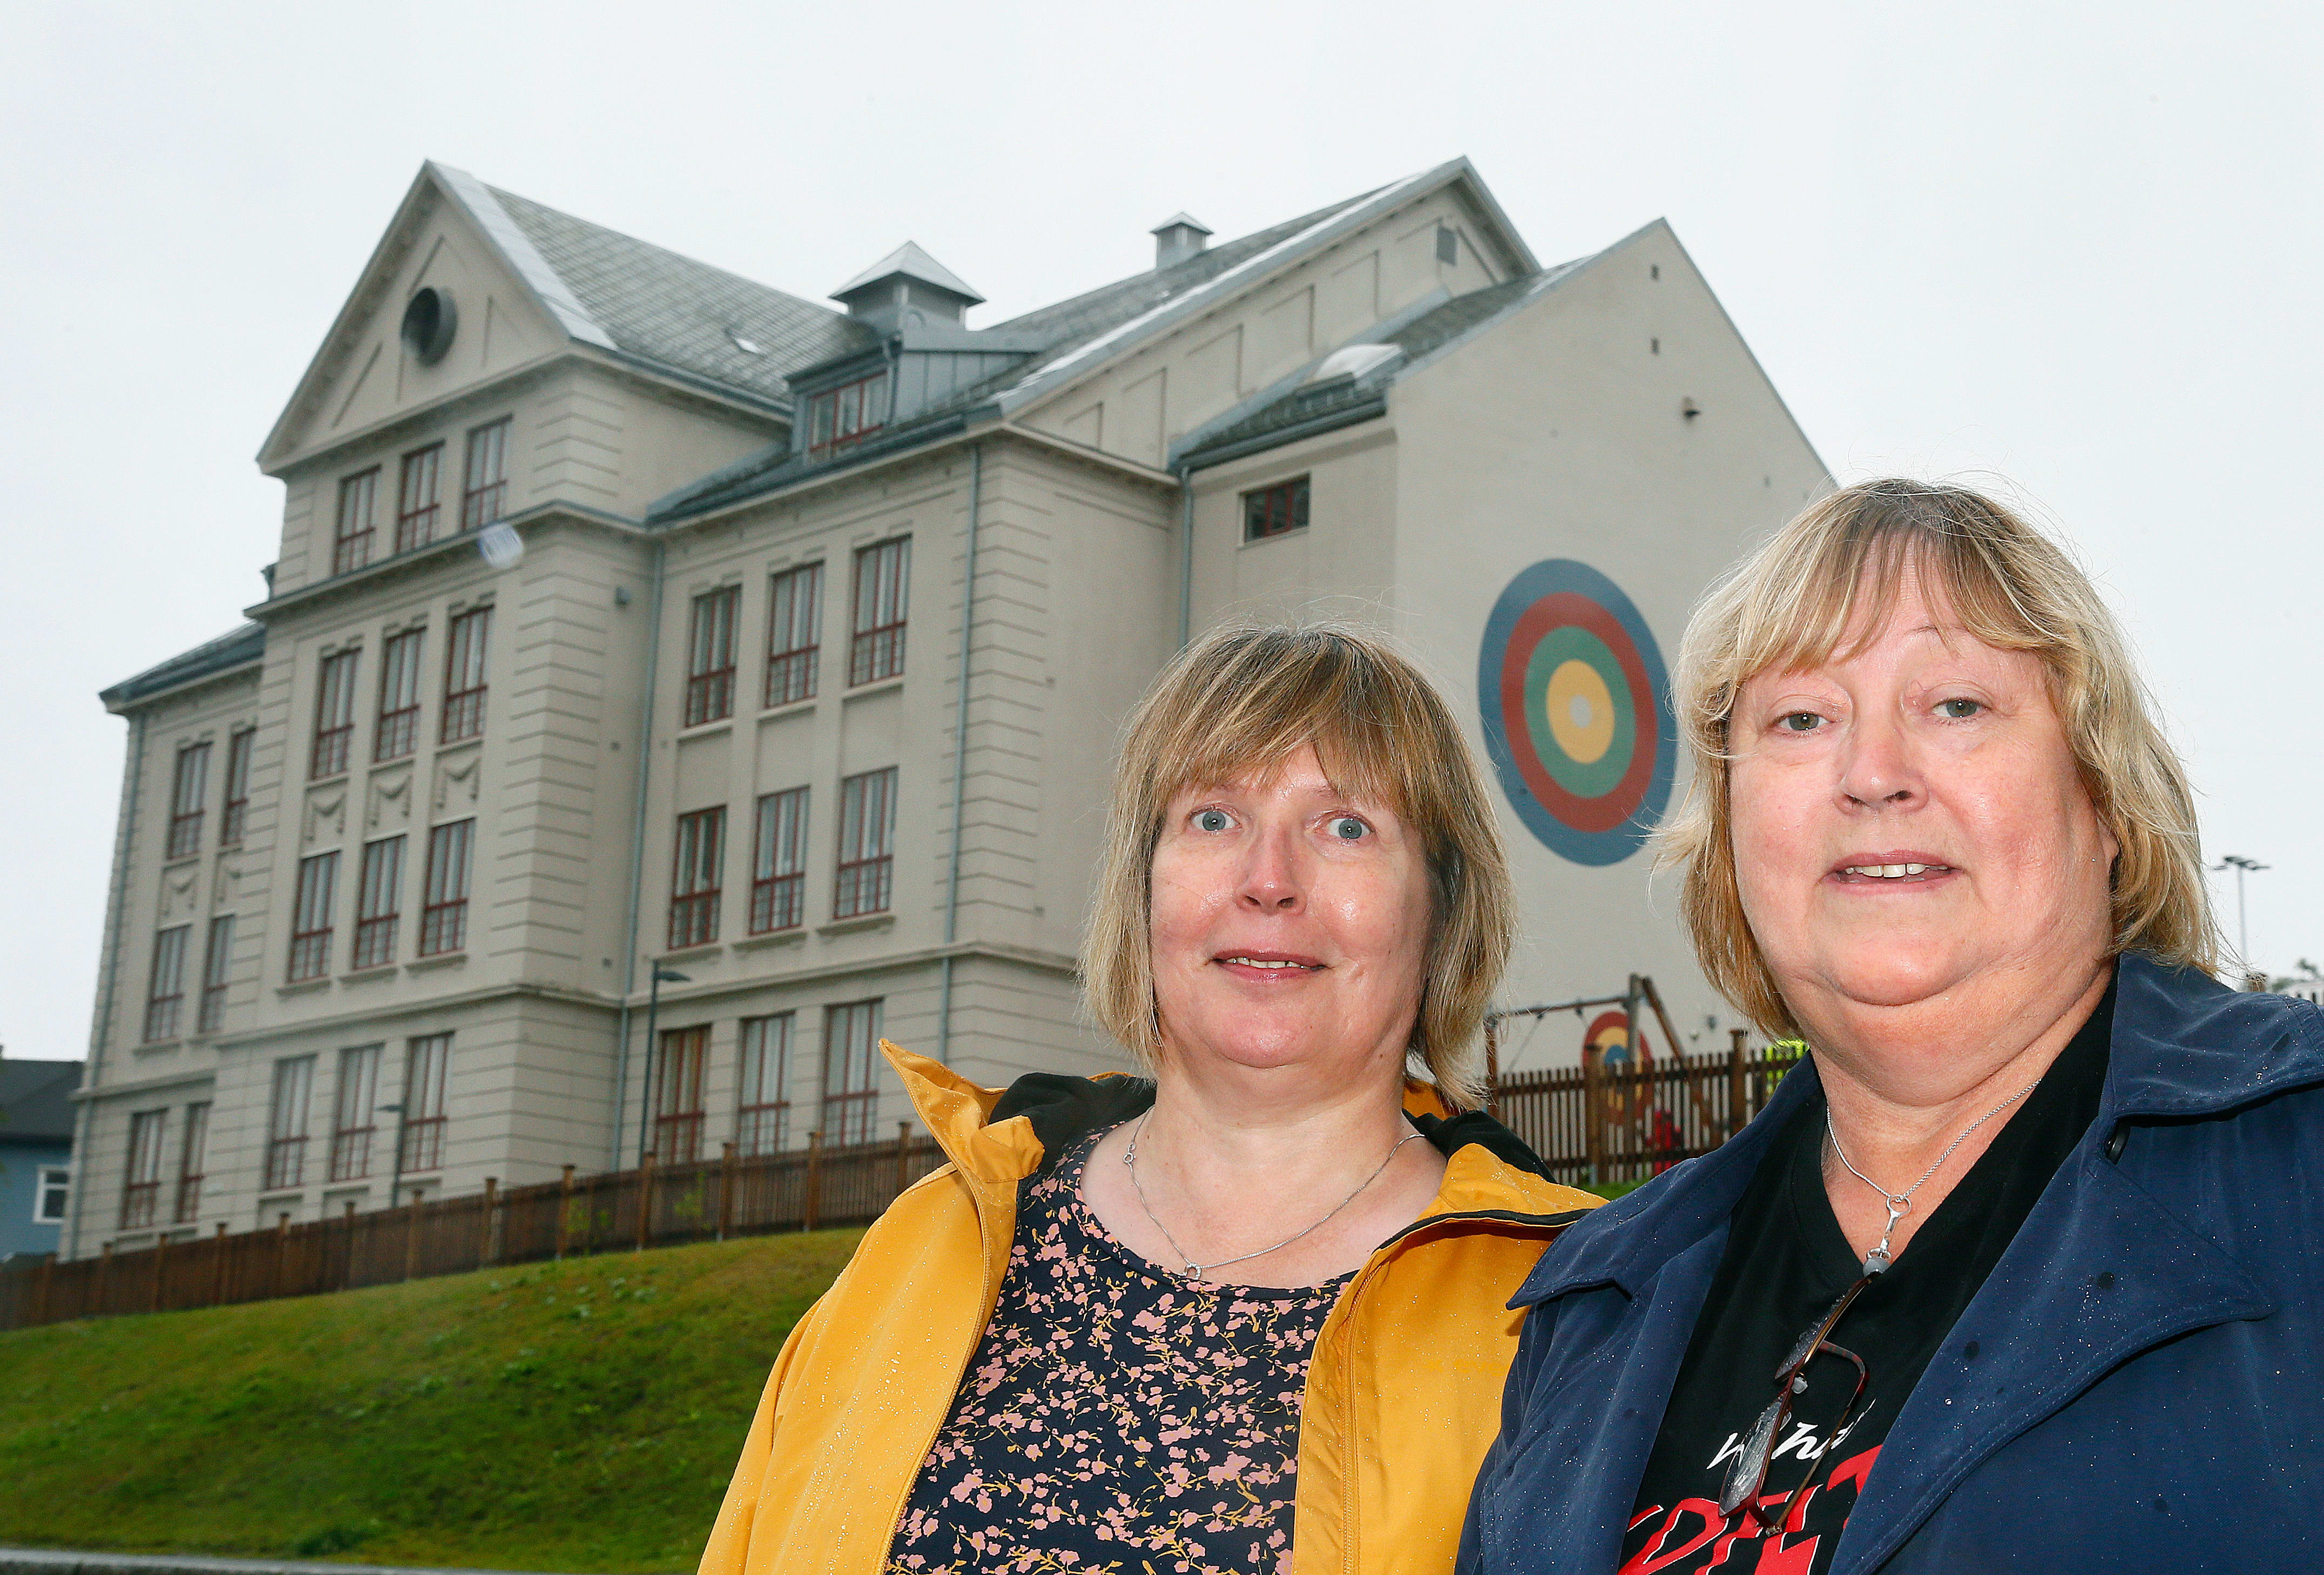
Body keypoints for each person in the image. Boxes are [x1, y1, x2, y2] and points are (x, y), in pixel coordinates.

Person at [1460, 480, 2324, 1573]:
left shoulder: (2296, 1166)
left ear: (2103, 800)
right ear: (1731, 835)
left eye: (1955, 705)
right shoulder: (1594, 1303)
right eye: (1802, 719)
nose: (1872, 775)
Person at [701, 624, 1601, 1575]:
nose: (1269, 882)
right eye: (1213, 819)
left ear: (1443, 911)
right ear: (1141, 892)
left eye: (1346, 827)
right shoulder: (924, 1247)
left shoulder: (1579, 1313)